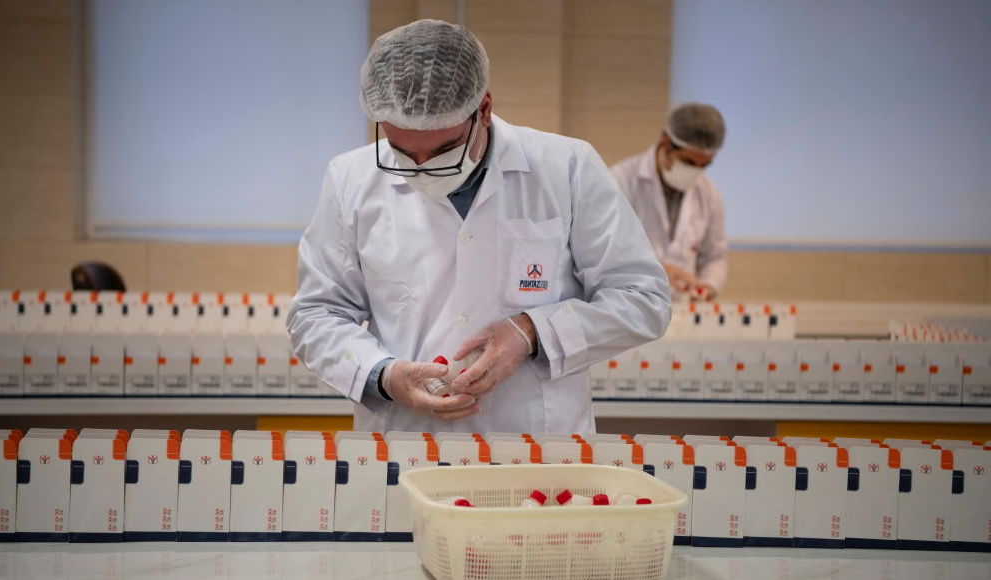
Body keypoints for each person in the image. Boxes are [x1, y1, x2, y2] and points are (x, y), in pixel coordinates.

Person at [287, 19, 671, 434]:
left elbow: (643, 299)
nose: (421, 167)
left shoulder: (567, 167)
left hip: (535, 444)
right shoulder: (351, 178)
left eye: (442, 150)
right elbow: (316, 313)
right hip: (407, 442)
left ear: (484, 109)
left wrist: (531, 333)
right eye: (401, 152)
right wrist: (382, 375)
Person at [610, 103, 728, 302]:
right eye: (689, 162)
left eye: (704, 165)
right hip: (627, 307)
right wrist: (660, 269)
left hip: (681, 311)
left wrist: (708, 285)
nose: (695, 172)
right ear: (666, 141)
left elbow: (714, 256)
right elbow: (604, 252)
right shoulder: (620, 181)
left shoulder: (708, 194)